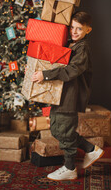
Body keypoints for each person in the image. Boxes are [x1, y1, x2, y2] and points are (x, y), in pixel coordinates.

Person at [31, 12, 104, 181]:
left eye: (79, 28)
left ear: (88, 30)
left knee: (64, 129)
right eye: (72, 27)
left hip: (71, 96)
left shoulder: (82, 48)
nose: (74, 31)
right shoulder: (71, 45)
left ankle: (70, 168)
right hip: (61, 95)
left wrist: (46, 74)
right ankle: (91, 149)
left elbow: (71, 71)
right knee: (58, 129)